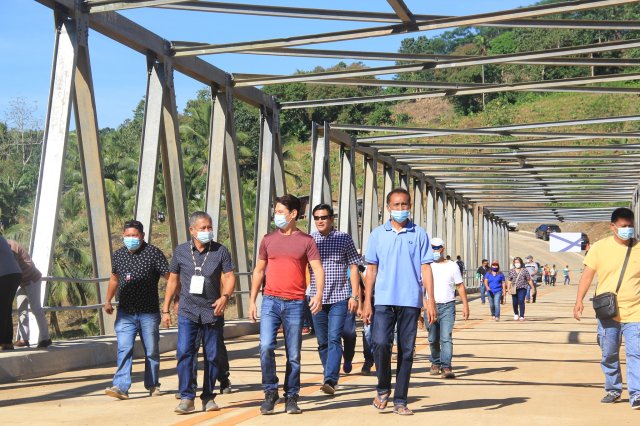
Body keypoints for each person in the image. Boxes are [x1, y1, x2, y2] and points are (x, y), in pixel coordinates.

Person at [362, 187, 437, 416]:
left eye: (404, 204)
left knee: (406, 351)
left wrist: (430, 300)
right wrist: (367, 301)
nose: (400, 208)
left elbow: (426, 268)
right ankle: (383, 387)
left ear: (410, 206)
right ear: (388, 207)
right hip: (383, 300)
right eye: (396, 205)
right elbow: (371, 269)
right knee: (380, 343)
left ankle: (400, 400)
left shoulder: (419, 234)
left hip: (410, 300)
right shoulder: (377, 234)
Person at [248, 194, 325, 415]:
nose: (277, 216)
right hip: (270, 301)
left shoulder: (306, 241)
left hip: (295, 303)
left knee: (293, 354)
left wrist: (318, 294)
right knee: (265, 346)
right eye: (276, 212)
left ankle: (292, 396)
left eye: (281, 212)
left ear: (293, 214)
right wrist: (252, 301)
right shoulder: (268, 239)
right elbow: (259, 271)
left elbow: (317, 269)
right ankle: (270, 391)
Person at [162, 211, 236, 414]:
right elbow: (173, 280)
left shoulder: (220, 251)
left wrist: (225, 297)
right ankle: (187, 397)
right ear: (192, 230)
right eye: (203, 228)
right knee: (185, 353)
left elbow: (229, 276)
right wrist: (165, 309)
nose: (207, 231)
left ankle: (208, 397)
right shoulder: (181, 251)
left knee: (212, 355)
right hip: (188, 310)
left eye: (210, 227)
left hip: (212, 311)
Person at [574, 207, 640, 410]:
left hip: (635, 311)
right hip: (608, 312)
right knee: (609, 354)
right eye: (624, 226)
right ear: (613, 227)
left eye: (630, 226)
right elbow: (587, 276)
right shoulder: (600, 248)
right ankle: (613, 389)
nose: (628, 230)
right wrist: (579, 301)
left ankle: (637, 393)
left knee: (636, 353)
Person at [103, 220, 169, 400]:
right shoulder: (119, 255)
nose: (131, 238)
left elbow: (170, 277)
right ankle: (121, 386)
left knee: (151, 350)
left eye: (134, 235)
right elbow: (114, 279)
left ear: (142, 236)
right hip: (126, 313)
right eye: (128, 235)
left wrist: (175, 299)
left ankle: (153, 384)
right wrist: (108, 300)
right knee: (124, 348)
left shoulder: (153, 253)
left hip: (148, 312)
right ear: (123, 236)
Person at [308, 203, 361, 395]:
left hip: (339, 298)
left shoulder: (343, 238)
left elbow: (354, 267)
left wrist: (354, 295)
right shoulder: (310, 240)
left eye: (324, 217)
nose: (320, 221)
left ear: (331, 219)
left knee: (334, 338)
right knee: (322, 341)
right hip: (316, 300)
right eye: (316, 218)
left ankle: (330, 379)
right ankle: (329, 373)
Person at [427, 238, 469, 379]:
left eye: (436, 247)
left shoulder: (452, 266)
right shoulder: (426, 265)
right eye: (431, 247)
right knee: (433, 338)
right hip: (430, 306)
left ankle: (446, 366)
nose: (434, 250)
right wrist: (423, 306)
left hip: (447, 306)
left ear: (443, 249)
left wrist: (465, 305)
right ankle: (435, 362)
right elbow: (420, 287)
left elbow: (460, 286)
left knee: (446, 337)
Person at [8, 239, 51, 348]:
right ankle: (24, 339)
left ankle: (46, 338)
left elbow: (12, 266)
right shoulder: (6, 246)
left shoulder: (11, 246)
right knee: (21, 310)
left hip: (32, 279)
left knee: (36, 308)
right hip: (22, 282)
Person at [0, 235, 22, 350]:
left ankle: (4, 341)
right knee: (6, 308)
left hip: (5, 275)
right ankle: (7, 342)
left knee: (2, 308)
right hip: (14, 274)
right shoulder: (2, 238)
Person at [507, 257, 535, 321]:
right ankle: (516, 313)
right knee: (514, 302)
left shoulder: (525, 270)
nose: (517, 263)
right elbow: (509, 280)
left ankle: (522, 315)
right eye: (516, 262)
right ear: (514, 263)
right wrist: (508, 289)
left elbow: (529, 280)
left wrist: (533, 288)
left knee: (521, 300)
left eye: (518, 262)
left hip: (522, 288)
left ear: (521, 263)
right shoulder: (511, 271)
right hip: (514, 289)